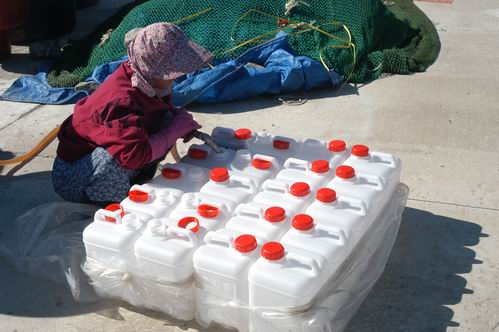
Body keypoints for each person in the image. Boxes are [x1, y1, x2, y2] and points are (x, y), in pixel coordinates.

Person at [52, 23, 213, 206]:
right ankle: (110, 201)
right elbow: (133, 155)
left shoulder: (143, 77)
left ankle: (134, 183)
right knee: (113, 162)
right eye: (171, 72)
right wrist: (173, 131)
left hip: (101, 155)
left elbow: (153, 109)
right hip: (74, 177)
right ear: (152, 68)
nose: (175, 77)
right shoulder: (122, 102)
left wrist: (177, 120)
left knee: (165, 119)